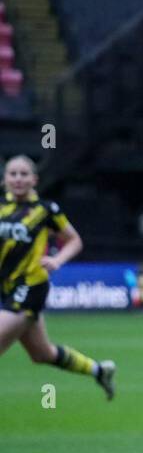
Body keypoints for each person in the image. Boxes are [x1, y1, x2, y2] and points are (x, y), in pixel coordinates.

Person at [0, 154, 115, 399]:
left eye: (24, 174)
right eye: (13, 174)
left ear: (35, 179)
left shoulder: (45, 210)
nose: (18, 179)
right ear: (4, 179)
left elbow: (74, 240)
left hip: (30, 286)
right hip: (7, 288)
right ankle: (99, 370)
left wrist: (57, 260)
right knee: (42, 354)